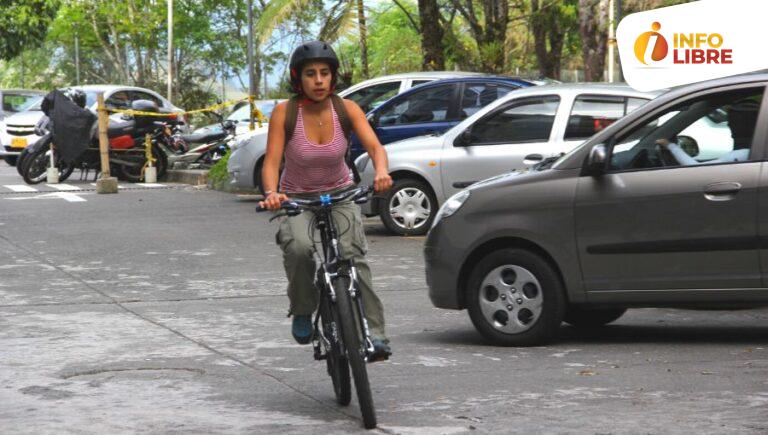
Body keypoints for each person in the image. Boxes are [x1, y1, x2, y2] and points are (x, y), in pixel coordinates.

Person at [258, 41, 393, 359]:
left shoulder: (347, 109)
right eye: (310, 74)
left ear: (333, 78)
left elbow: (376, 148)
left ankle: (375, 334)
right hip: (297, 198)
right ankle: (304, 309)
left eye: (324, 73)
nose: (318, 80)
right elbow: (271, 162)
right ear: (298, 78)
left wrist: (382, 171)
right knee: (300, 249)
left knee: (354, 257)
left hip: (341, 193)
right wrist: (271, 193)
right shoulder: (285, 113)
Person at [658, 99, 759, 165]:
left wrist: (669, 145)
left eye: (733, 122)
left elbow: (694, 168)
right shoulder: (752, 152)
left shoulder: (742, 155)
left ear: (743, 126)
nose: (728, 125)